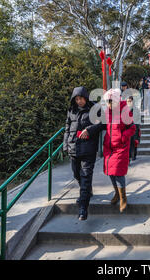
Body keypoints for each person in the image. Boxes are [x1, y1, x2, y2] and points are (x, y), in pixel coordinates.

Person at [63, 87, 102, 221]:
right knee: (76, 174)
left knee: (85, 176)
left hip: (88, 149)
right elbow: (67, 129)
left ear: (85, 97)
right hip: (73, 148)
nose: (79, 101)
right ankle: (87, 191)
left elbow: (103, 123)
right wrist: (65, 145)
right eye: (76, 99)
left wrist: (89, 130)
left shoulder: (94, 109)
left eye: (81, 98)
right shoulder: (71, 110)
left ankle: (83, 208)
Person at [103, 89, 136, 213]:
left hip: (120, 146)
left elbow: (132, 128)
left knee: (118, 172)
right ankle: (116, 193)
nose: (109, 105)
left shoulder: (124, 111)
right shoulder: (107, 112)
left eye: (111, 102)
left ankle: (123, 197)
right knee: (110, 172)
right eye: (107, 102)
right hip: (109, 146)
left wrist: (123, 137)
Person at [126, 96, 141, 162]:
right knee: (128, 143)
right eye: (128, 101)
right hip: (127, 128)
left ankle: (134, 155)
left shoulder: (136, 109)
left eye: (130, 101)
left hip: (135, 127)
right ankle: (129, 157)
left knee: (134, 142)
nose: (129, 102)